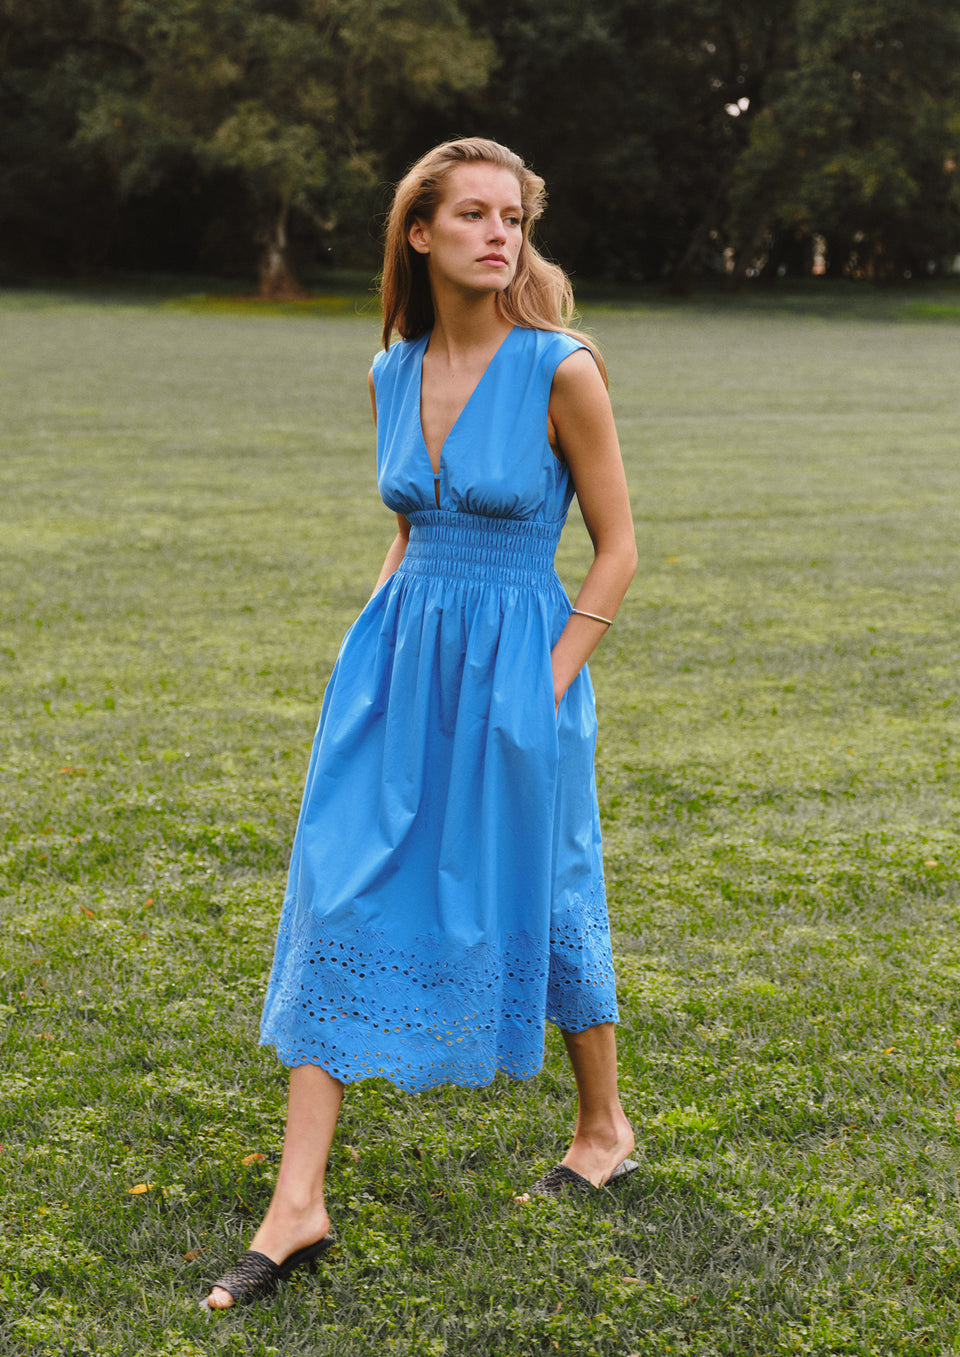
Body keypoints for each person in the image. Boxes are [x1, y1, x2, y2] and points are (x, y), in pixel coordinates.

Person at [204, 137, 638, 1310]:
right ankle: (298, 1203)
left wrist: (544, 685)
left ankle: (602, 1126)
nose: (500, 235)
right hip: (393, 673)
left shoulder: (562, 369)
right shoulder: (390, 370)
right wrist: (372, 636)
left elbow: (620, 548)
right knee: (338, 888)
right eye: (475, 217)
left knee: (545, 887)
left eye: (514, 218)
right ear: (420, 232)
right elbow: (409, 523)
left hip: (522, 669)